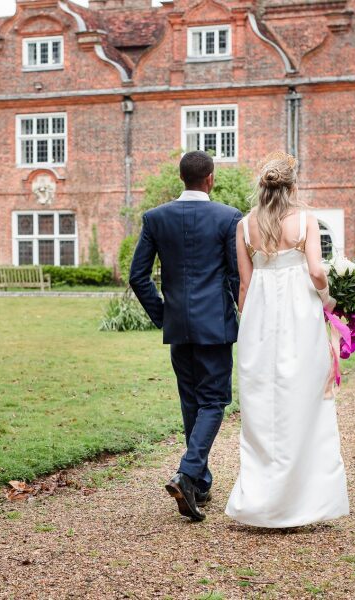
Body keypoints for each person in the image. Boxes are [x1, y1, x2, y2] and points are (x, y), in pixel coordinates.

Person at [225, 152, 349, 528]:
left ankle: (260, 501)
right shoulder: (306, 221)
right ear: (293, 187)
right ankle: (303, 501)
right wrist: (333, 301)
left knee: (261, 412)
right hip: (300, 320)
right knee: (305, 404)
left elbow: (244, 287)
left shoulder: (244, 226)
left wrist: (251, 328)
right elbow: (315, 271)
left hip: (259, 323)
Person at [129, 151, 242, 521]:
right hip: (216, 327)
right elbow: (235, 275)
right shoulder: (228, 217)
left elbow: (138, 276)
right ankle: (188, 472)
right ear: (210, 178)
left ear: (182, 178)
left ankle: (201, 482)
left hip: (178, 326)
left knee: (192, 402)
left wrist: (164, 315)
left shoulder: (156, 218)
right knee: (214, 401)